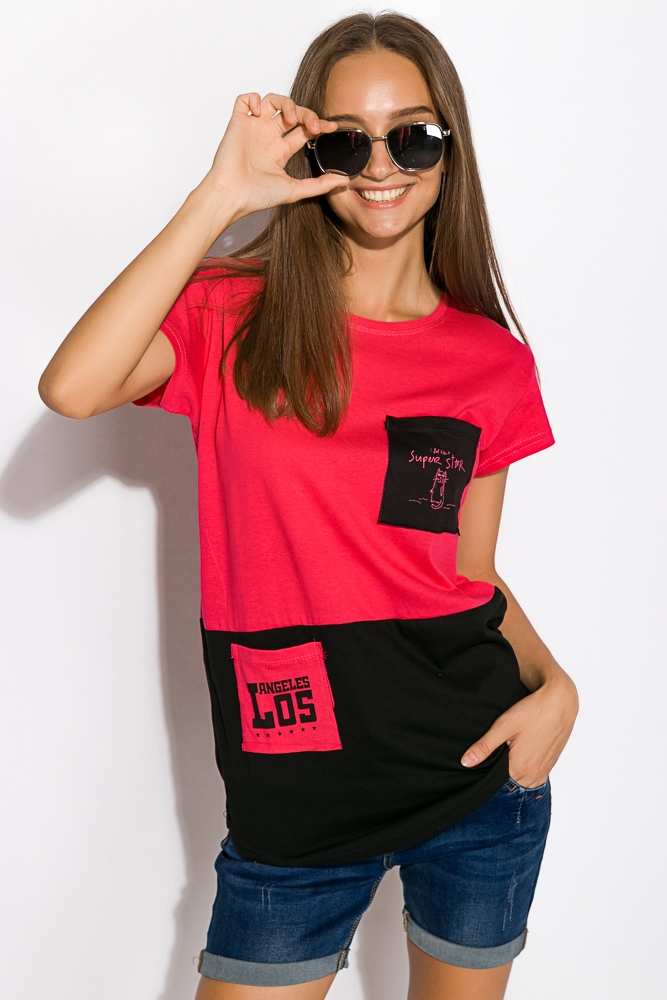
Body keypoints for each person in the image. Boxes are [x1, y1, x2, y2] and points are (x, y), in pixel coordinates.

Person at [39, 12, 578, 1000]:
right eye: (346, 139)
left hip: (476, 781)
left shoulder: (490, 362)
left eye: (412, 136)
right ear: (310, 150)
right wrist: (221, 194)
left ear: (450, 148)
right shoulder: (229, 313)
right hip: (294, 800)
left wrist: (556, 687)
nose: (381, 166)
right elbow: (73, 388)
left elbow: (465, 574)